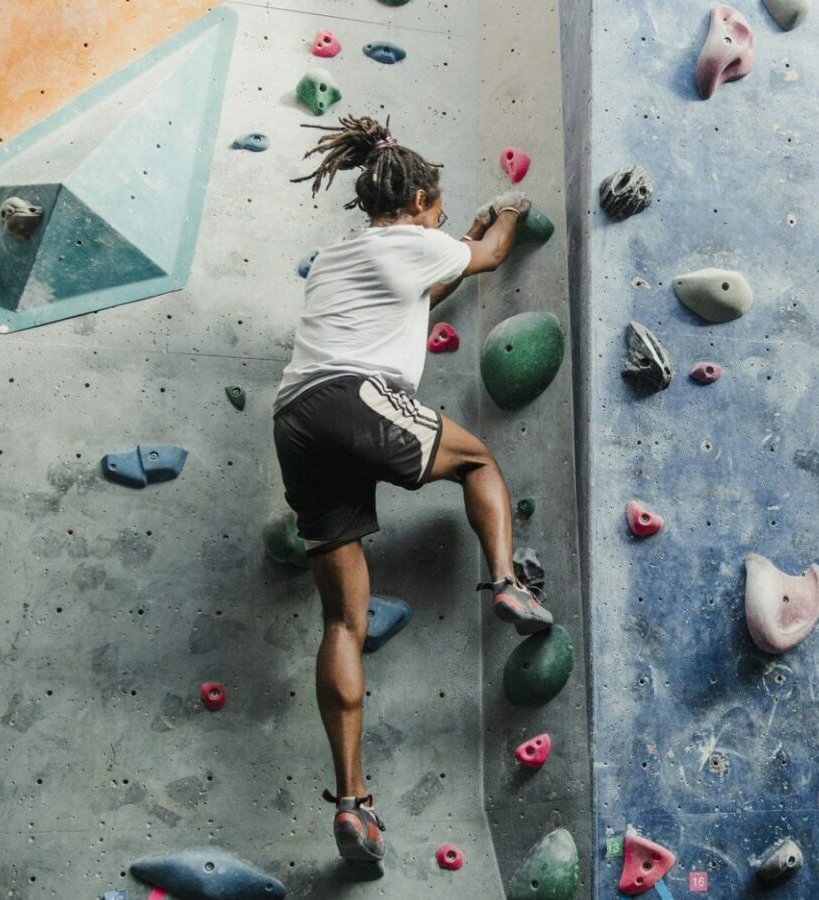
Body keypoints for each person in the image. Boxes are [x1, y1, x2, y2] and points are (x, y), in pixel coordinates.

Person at [275, 114, 551, 864]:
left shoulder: (341, 257)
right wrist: (508, 213)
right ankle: (505, 582)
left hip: (295, 420)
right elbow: (489, 254)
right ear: (426, 196)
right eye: (439, 203)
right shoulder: (423, 241)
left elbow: (409, 301)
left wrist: (448, 250)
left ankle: (354, 805)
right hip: (352, 397)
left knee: (342, 623)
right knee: (478, 462)